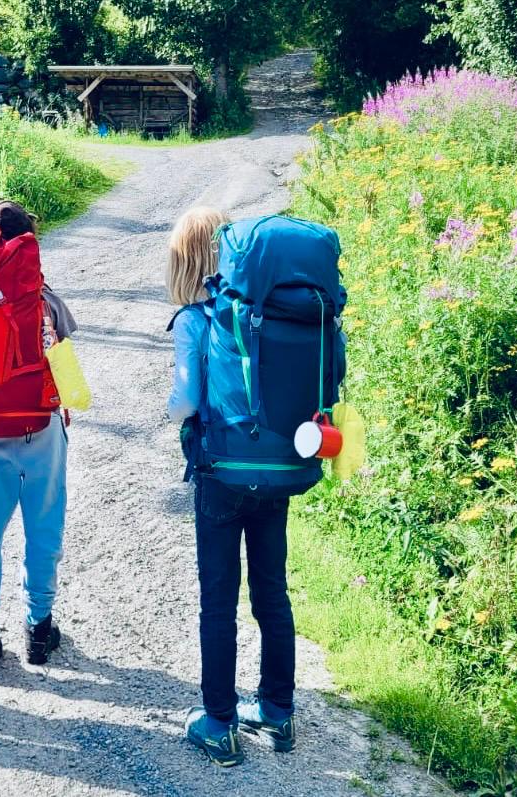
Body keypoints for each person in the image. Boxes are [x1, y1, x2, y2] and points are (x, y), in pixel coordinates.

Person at [166, 207, 297, 766]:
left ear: (183, 261)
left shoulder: (195, 320)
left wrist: (173, 413)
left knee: (218, 599)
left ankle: (219, 724)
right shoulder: (268, 314)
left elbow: (185, 402)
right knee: (272, 590)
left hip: (220, 474)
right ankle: (278, 712)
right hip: (275, 471)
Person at [0, 200, 76, 681]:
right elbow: (68, 376)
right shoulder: (41, 299)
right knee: (42, 528)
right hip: (39, 428)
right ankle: (38, 629)